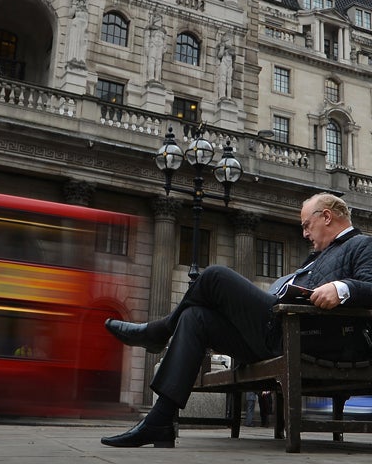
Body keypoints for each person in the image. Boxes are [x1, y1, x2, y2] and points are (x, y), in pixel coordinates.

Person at [101, 192, 372, 448]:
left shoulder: (361, 244)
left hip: (305, 336)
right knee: (196, 318)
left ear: (326, 217)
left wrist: (342, 288)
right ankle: (160, 420)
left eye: (306, 225)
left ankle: (158, 332)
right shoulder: (319, 256)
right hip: (279, 333)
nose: (304, 233)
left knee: (215, 276)